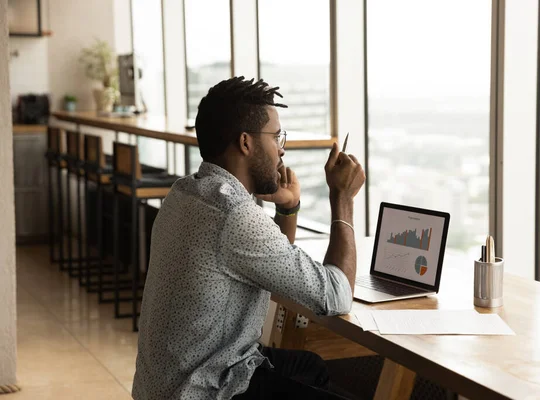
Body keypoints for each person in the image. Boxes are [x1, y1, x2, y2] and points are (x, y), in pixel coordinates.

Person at [132, 76, 365, 399]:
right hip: (206, 388)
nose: (281, 149)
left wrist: (288, 208)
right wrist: (343, 199)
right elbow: (336, 297)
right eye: (276, 136)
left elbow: (276, 268)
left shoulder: (185, 191)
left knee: (310, 368)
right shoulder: (234, 215)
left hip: (168, 383)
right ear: (246, 143)